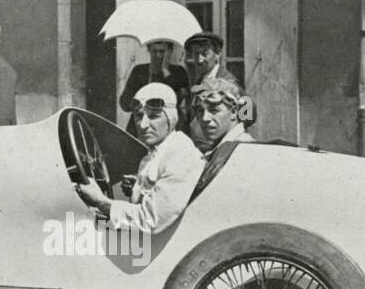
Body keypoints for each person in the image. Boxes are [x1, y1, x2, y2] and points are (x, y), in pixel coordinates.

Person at [75, 82, 204, 235]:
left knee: (78, 228)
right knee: (86, 223)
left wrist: (100, 201)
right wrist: (137, 189)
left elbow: (150, 220)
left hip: (152, 242)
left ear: (171, 119)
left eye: (154, 117)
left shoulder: (181, 155)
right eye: (139, 116)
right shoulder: (159, 151)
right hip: (144, 238)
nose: (143, 125)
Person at [120, 39, 190, 138]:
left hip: (169, 127)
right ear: (149, 51)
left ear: (169, 52)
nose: (158, 56)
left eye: (162, 52)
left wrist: (165, 70)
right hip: (141, 126)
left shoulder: (179, 72)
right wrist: (140, 104)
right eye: (154, 51)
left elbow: (178, 100)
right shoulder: (139, 71)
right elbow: (124, 103)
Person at [188, 78, 255, 155]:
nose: (205, 118)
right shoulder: (220, 150)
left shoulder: (244, 150)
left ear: (234, 112)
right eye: (200, 111)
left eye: (214, 110)